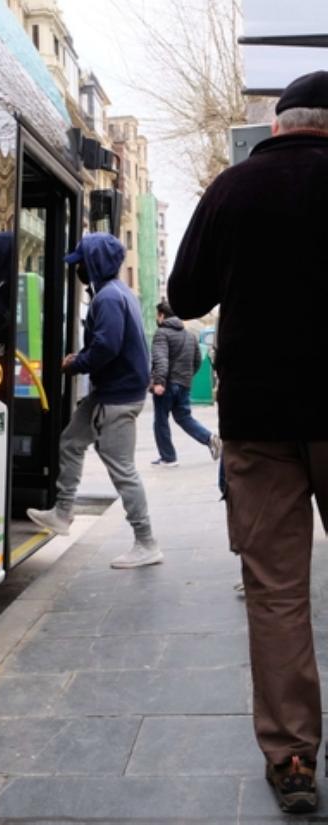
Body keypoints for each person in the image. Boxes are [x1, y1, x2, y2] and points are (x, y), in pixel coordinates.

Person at [167, 70, 328, 814]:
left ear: (278, 125)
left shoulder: (232, 190)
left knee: (276, 590)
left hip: (259, 421)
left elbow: (187, 295)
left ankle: (292, 756)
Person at [27, 232, 160, 569]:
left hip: (116, 397)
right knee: (71, 442)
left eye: (81, 263)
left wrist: (77, 363)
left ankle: (146, 542)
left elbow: (107, 346)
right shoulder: (117, 293)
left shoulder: (108, 298)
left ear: (94, 263)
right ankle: (63, 512)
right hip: (111, 392)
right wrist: (83, 357)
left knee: (122, 469)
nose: (78, 269)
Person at [150, 300, 221, 467]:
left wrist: (159, 381)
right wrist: (186, 377)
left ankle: (168, 457)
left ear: (162, 316)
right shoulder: (189, 335)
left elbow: (161, 359)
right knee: (184, 417)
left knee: (160, 421)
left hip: (167, 384)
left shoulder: (162, 334)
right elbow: (197, 360)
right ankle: (209, 438)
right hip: (184, 383)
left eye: (157, 315)